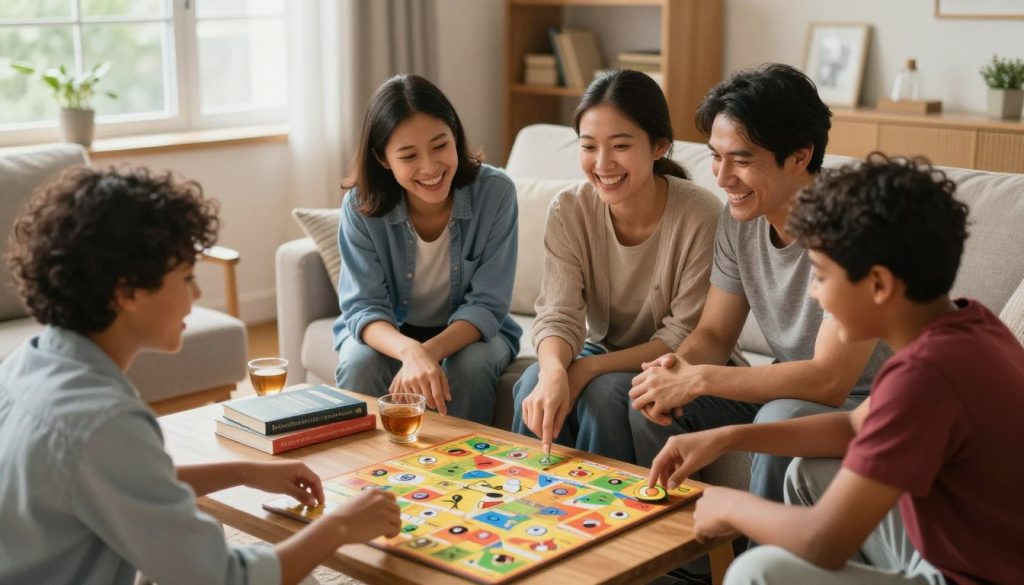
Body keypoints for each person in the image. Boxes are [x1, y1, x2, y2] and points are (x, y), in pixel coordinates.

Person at [0, 166, 401, 585]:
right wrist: (339, 527)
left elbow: (123, 480)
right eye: (187, 277)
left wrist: (244, 472)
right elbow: (224, 579)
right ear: (127, 292)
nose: (195, 294)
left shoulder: (27, 365)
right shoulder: (103, 421)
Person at [649, 154, 1024, 585]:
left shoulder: (925, 379)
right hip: (966, 548)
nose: (814, 294)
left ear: (879, 284)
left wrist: (726, 505)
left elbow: (821, 542)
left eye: (822, 276)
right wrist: (725, 437)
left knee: (756, 570)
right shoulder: (968, 325)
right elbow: (853, 428)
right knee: (811, 472)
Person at [628, 63, 891, 500]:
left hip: (861, 405)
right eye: (715, 155)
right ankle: (682, 562)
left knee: (779, 418)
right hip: (788, 390)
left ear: (800, 156)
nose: (723, 177)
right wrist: (675, 370)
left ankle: (755, 565)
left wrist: (702, 379)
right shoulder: (741, 218)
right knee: (650, 401)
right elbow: (713, 333)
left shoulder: (856, 223)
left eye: (742, 160)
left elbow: (829, 381)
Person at [511, 69, 728, 463]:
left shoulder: (699, 215)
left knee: (606, 391)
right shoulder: (570, 209)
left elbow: (682, 335)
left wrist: (586, 369)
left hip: (677, 362)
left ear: (659, 146)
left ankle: (607, 515)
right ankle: (523, 499)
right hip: (604, 349)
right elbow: (558, 314)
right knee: (532, 381)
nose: (602, 163)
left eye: (621, 146)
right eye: (589, 146)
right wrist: (556, 372)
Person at [333, 74, 520, 425]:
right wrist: (409, 350)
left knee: (471, 365)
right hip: (390, 335)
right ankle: (368, 475)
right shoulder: (360, 206)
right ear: (383, 158)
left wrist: (427, 352)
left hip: (471, 335)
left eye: (440, 146)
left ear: (455, 136)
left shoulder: (496, 194)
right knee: (360, 364)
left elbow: (487, 304)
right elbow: (363, 306)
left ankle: (464, 469)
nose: (431, 168)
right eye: (408, 155)